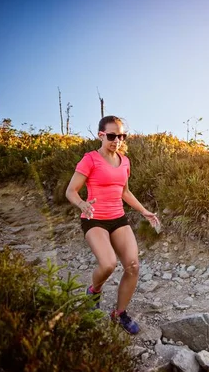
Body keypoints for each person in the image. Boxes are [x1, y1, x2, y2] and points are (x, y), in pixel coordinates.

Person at [65, 115, 159, 334]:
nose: (117, 140)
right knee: (108, 264)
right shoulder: (89, 159)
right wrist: (82, 204)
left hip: (118, 218)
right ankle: (94, 290)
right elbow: (71, 191)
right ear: (101, 135)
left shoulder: (124, 161)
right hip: (94, 219)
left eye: (121, 135)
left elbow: (124, 192)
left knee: (133, 265)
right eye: (111, 135)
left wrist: (144, 211)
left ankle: (119, 313)